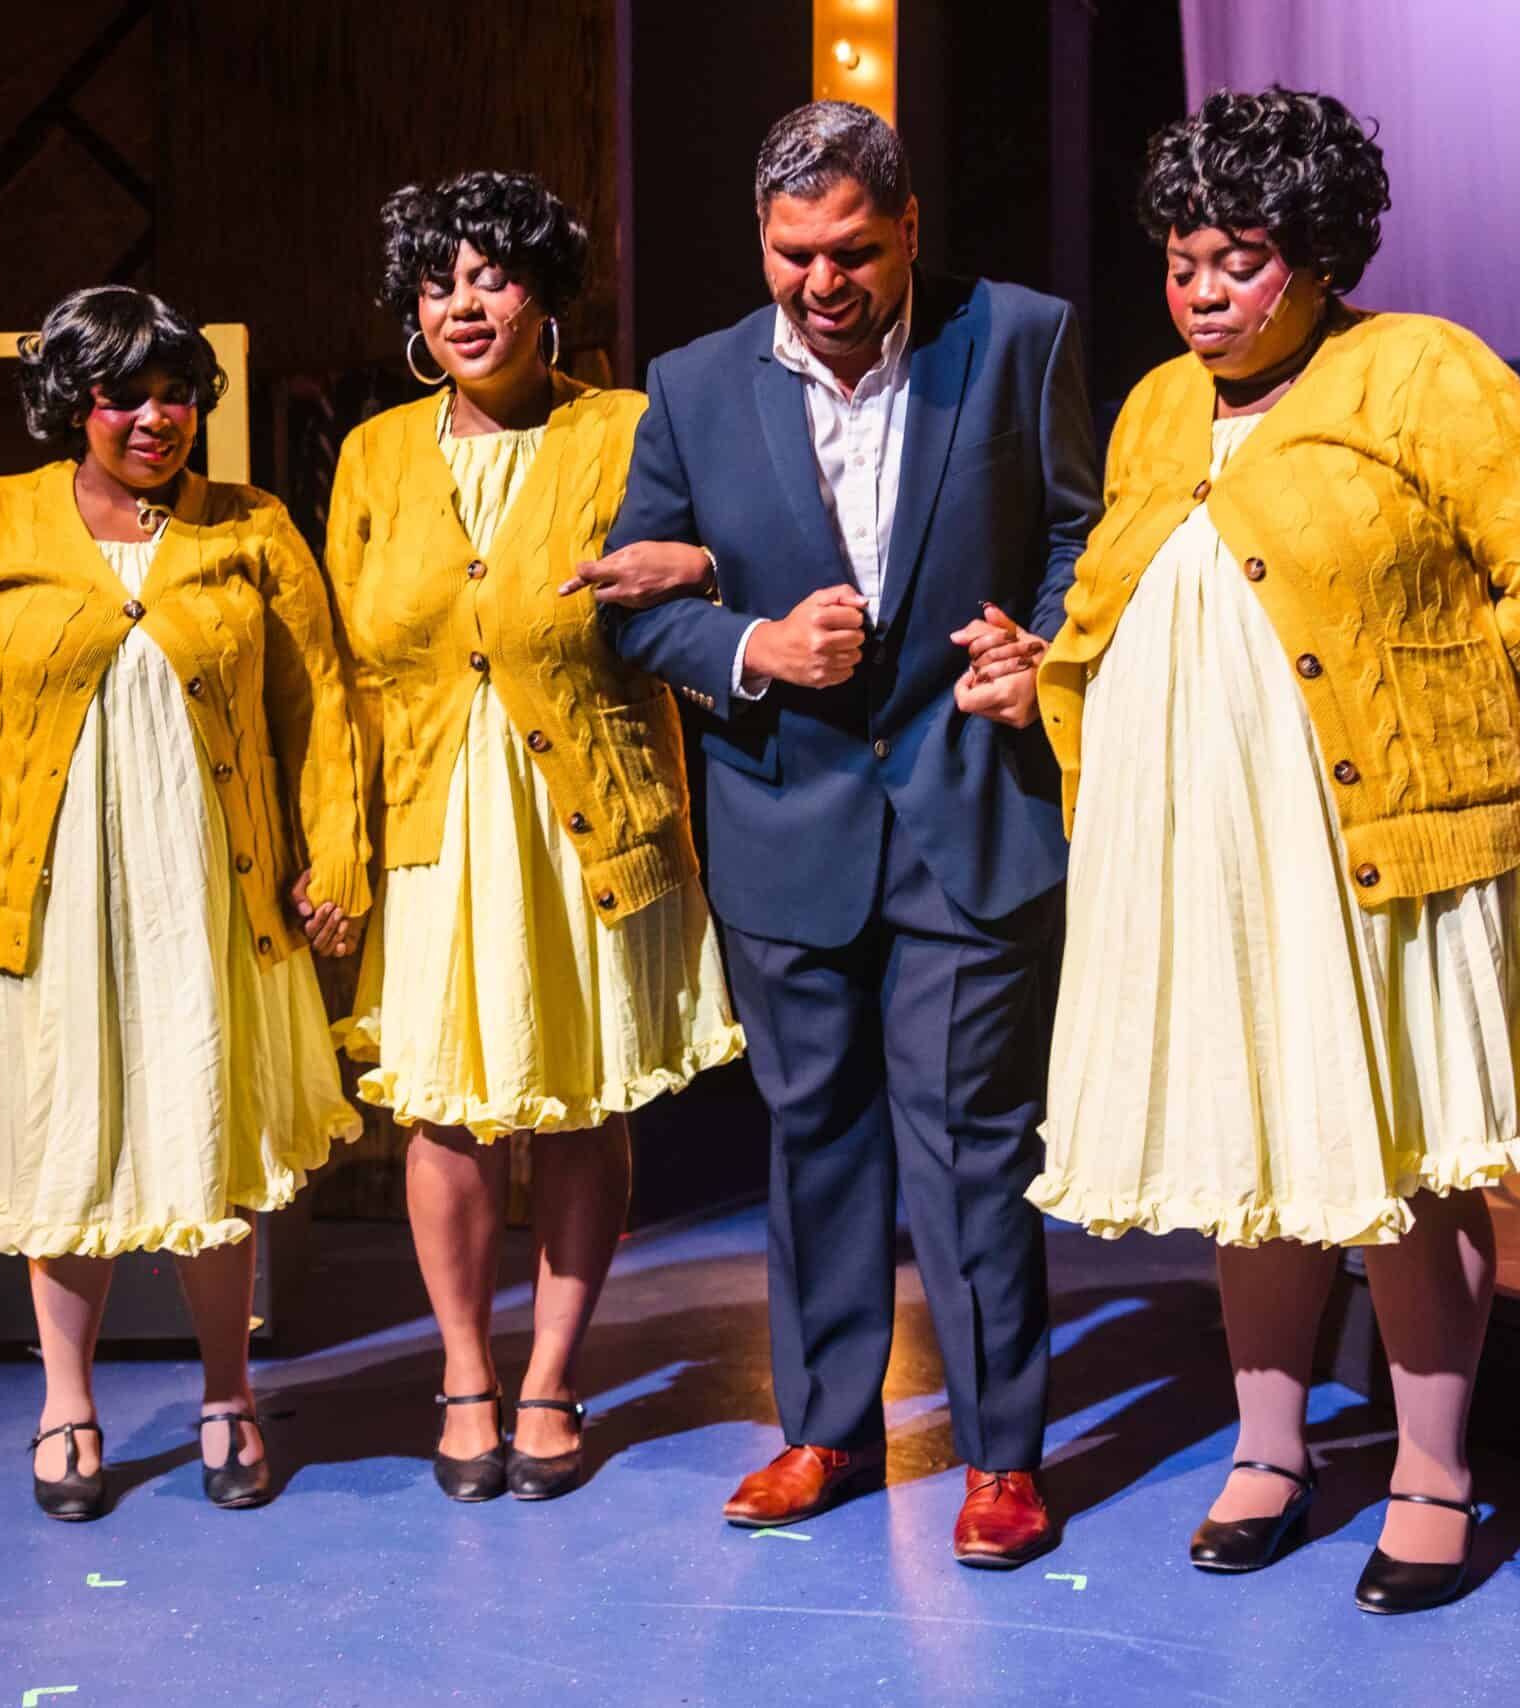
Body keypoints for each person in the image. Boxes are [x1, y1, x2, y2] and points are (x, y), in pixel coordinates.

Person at [1027, 88, 1520, 1613]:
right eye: (1181, 261)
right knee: (1253, 1150)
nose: (1203, 293)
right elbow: (1118, 599)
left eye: (1239, 260)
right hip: (1210, 852)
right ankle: (1270, 1450)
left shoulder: (1423, 369)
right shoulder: (1156, 408)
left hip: (1372, 840)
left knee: (1404, 1155)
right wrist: (1051, 680)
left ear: (1322, 254)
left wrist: (1430, 719)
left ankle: (1430, 1473)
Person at [582, 102, 1098, 1568]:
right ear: (761, 240)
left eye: (854, 251)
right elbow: (634, 609)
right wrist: (751, 645)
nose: (822, 281)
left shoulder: (1020, 338)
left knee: (971, 1145)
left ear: (910, 229)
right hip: (783, 829)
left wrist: (1046, 648)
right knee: (813, 1139)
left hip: (970, 810)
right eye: (792, 252)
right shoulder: (690, 385)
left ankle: (1002, 1456)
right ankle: (824, 1430)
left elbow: (1084, 533)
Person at [0, 285, 368, 1521]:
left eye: (176, 395)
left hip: (210, 887)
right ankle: (68, 1399)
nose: (155, 419)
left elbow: (318, 704)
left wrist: (334, 857)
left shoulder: (253, 524)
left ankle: (228, 1393)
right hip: (53, 894)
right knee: (67, 1135)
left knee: (209, 1126)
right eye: (124, 397)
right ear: (73, 403)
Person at [326, 171, 744, 1504]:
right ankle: (465, 1376)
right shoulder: (373, 455)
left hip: (586, 820)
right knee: (444, 1114)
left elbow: (731, 557)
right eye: (437, 283)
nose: (463, 305)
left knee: (577, 1105)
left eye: (492, 277)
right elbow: (343, 676)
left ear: (546, 295)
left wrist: (702, 566)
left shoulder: (625, 428)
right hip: (429, 821)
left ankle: (555, 1373)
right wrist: (334, 845)